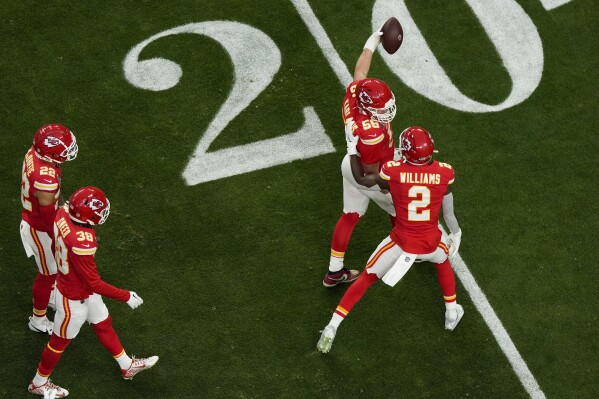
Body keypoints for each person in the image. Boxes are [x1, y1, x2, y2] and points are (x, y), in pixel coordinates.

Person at [317, 126, 464, 353]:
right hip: (431, 243)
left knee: (366, 278)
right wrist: (456, 234)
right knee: (443, 261)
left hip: (400, 243)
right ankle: (452, 312)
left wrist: (352, 148)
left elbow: (363, 179)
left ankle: (332, 326)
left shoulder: (392, 171)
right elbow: (449, 214)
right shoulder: (445, 173)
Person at [27, 187, 158, 397]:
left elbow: (61, 205)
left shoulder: (63, 213)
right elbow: (95, 283)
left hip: (78, 286)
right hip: (73, 298)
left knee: (103, 323)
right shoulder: (81, 241)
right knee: (58, 343)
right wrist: (125, 295)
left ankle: (127, 365)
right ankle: (38, 383)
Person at [323, 28, 399, 287]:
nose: (387, 111)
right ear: (370, 110)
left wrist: (374, 39)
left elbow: (360, 71)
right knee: (400, 207)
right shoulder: (372, 133)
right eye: (382, 108)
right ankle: (407, 249)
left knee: (350, 215)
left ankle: (334, 271)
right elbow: (369, 174)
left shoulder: (356, 94)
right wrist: (391, 185)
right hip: (367, 171)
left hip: (350, 162)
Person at [21, 124, 78, 334]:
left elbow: (53, 197)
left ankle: (51, 294)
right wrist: (63, 236)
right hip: (40, 228)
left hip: (38, 219)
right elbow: (47, 217)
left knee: (51, 271)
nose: (68, 150)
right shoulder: (45, 180)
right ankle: (38, 319)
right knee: (47, 273)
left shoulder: (36, 154)